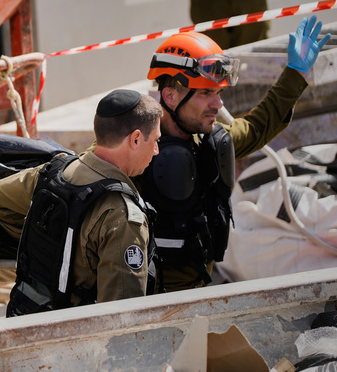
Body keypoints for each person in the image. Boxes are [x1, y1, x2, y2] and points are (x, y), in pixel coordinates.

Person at [139, 19, 329, 291]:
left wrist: (295, 73)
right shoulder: (135, 146)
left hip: (200, 288)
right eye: (206, 93)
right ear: (169, 96)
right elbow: (89, 174)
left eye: (218, 93)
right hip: (150, 297)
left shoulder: (209, 142)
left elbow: (257, 127)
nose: (218, 104)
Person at [0, 90, 161, 313]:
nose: (156, 150)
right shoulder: (122, 216)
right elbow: (121, 316)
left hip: (25, 318)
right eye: (155, 140)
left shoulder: (54, 171)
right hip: (73, 340)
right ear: (135, 139)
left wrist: (40, 242)